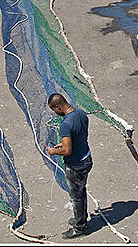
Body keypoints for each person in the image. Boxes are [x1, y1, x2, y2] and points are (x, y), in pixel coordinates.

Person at [46, 93, 92, 239]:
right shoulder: (81, 113)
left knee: (76, 196)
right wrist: (65, 143)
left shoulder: (65, 125)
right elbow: (80, 134)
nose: (55, 113)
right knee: (81, 190)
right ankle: (82, 218)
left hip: (76, 165)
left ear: (58, 106)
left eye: (54, 110)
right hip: (87, 158)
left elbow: (67, 150)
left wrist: (53, 151)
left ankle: (79, 227)